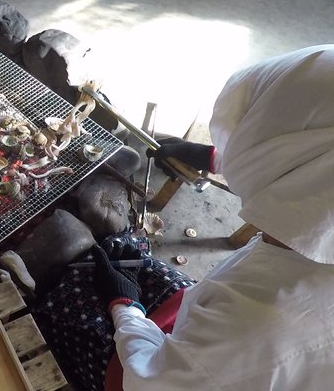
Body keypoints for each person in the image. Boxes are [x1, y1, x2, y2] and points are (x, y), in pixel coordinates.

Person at [34, 44, 334, 390]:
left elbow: (141, 382)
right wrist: (210, 158)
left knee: (68, 300)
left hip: (153, 378)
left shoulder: (259, 323)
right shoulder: (315, 206)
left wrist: (126, 305)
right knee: (135, 261)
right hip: (216, 350)